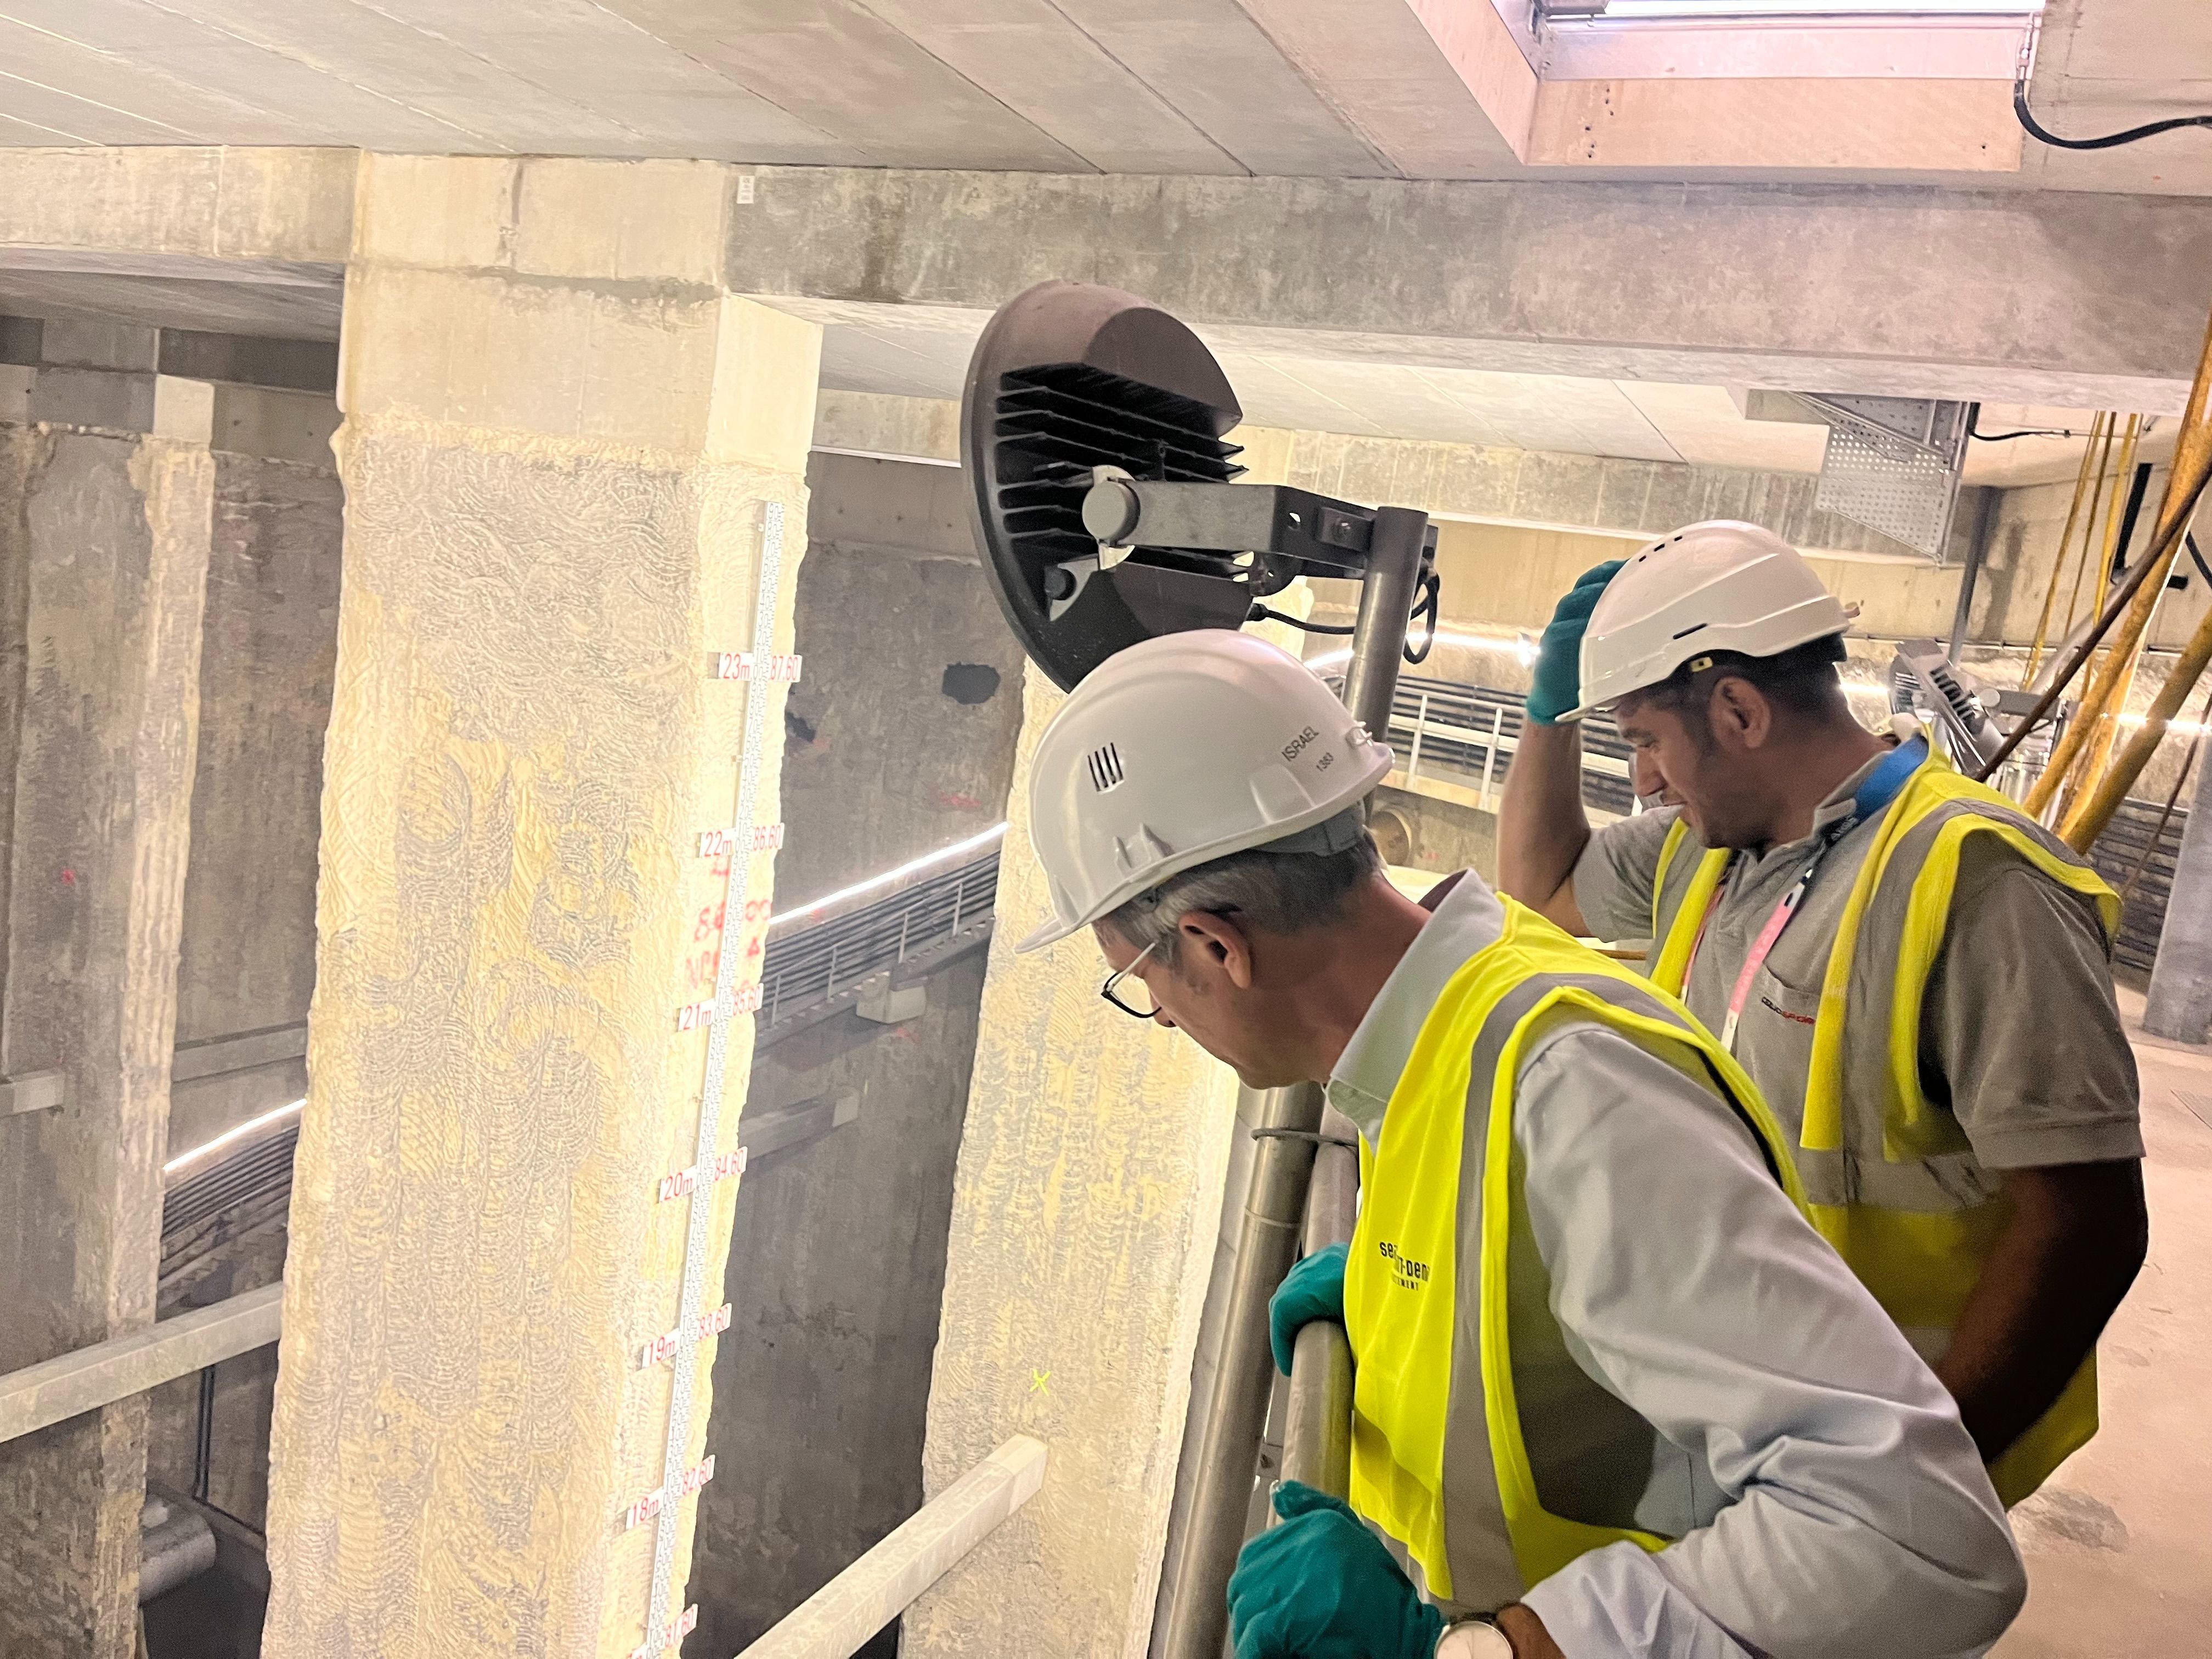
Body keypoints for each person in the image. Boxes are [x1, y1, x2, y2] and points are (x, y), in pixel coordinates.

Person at [1018, 628, 2023, 1659]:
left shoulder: (1572, 1093)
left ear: (1216, 946)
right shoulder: (1445, 1014)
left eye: (1140, 982)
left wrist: (1481, 1651)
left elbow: (1916, 1537)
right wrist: (1388, 1289)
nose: (1167, 1018)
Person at [1497, 520, 2149, 1508]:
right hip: (1738, 1426)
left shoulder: (1976, 883)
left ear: (1739, 712)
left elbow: (2086, 1223)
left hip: (1876, 1456)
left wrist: (1915, 1483)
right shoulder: (1703, 852)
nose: (1642, 781)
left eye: (1644, 742)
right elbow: (1540, 886)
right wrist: (1551, 714)